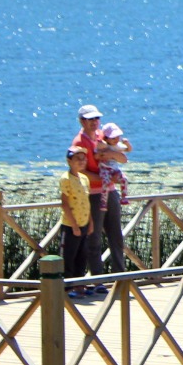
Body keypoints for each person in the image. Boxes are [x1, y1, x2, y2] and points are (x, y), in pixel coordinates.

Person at [72, 104, 126, 277]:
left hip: (110, 191)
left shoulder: (102, 136)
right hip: (93, 194)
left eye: (96, 118)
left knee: (116, 235)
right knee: (93, 238)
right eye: (90, 119)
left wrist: (111, 157)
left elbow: (122, 157)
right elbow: (80, 170)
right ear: (81, 121)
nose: (94, 122)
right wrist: (104, 178)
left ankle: (120, 276)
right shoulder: (79, 142)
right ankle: (98, 279)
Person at [58, 147, 93, 297]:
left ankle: (79, 286)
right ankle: (66, 288)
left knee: (82, 255)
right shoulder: (66, 178)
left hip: (84, 222)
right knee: (68, 257)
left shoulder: (84, 178)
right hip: (70, 225)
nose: (81, 161)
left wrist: (91, 222)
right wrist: (73, 225)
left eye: (83, 158)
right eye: (77, 159)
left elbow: (87, 202)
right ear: (69, 161)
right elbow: (64, 203)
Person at [96, 122, 131, 205]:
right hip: (105, 168)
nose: (116, 139)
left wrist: (127, 144)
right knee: (105, 182)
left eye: (117, 137)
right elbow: (97, 152)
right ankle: (103, 201)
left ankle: (124, 197)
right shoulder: (104, 146)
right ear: (106, 138)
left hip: (114, 169)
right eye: (113, 138)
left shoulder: (118, 146)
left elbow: (128, 150)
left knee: (124, 179)